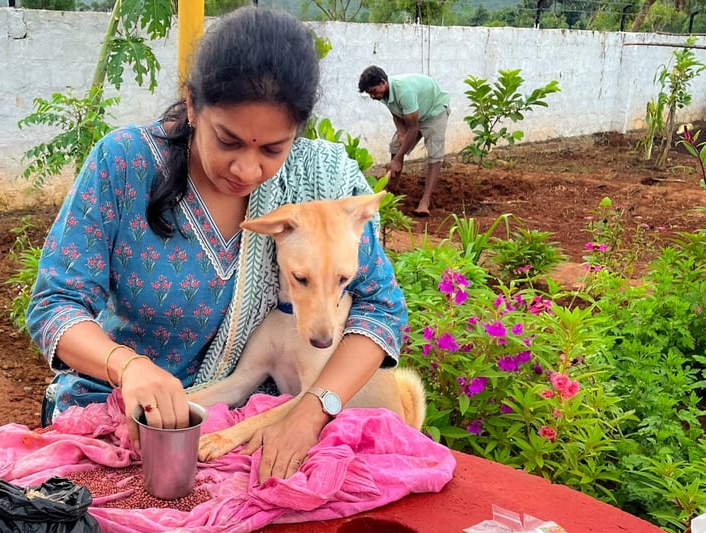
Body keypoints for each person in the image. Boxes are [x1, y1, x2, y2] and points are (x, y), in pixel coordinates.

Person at [26, 6, 408, 482]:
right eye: (227, 140)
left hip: (249, 433)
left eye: (273, 149)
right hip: (118, 416)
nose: (247, 170)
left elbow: (381, 310)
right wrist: (127, 367)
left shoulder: (324, 188)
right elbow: (55, 305)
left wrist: (311, 411)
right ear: (192, 105)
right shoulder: (124, 164)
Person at [358, 65, 450, 217]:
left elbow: (413, 129)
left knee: (435, 155)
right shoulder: (384, 94)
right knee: (396, 145)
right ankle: (389, 191)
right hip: (413, 113)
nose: (373, 96)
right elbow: (396, 112)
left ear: (383, 83)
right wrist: (401, 133)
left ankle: (425, 201)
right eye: (370, 94)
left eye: (373, 92)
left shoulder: (404, 92)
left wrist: (399, 158)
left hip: (434, 111)